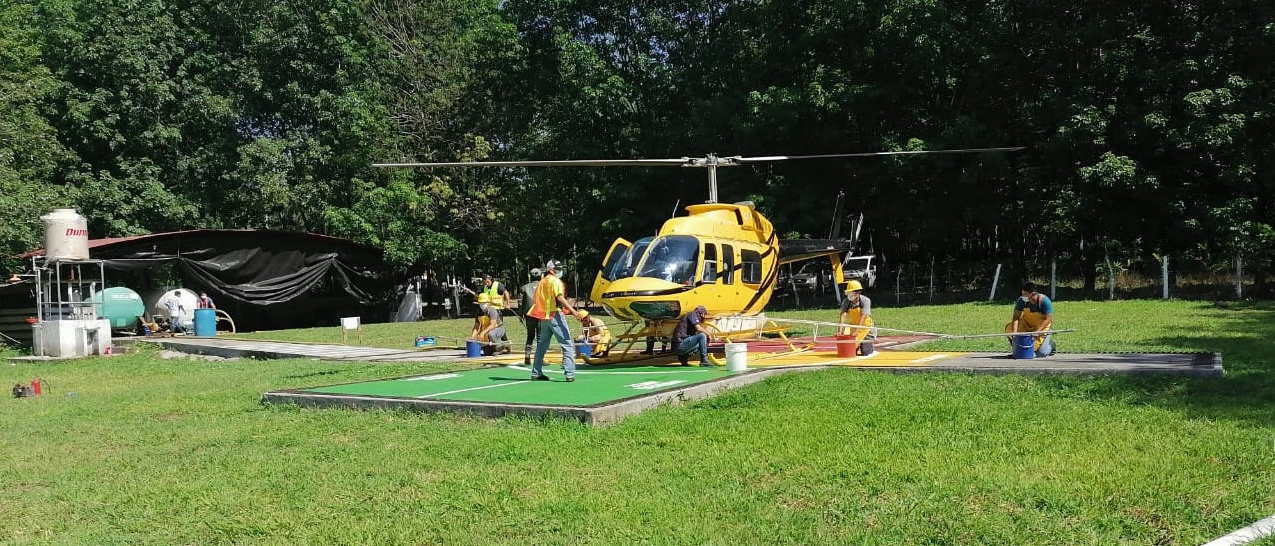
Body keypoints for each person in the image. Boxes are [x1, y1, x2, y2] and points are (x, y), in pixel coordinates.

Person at [528, 260, 581, 382]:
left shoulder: (542, 281)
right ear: (552, 269)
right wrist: (573, 311)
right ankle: (569, 374)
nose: (560, 270)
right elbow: (559, 297)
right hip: (555, 315)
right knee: (567, 344)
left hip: (544, 317)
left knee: (541, 346)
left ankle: (536, 373)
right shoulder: (555, 281)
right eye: (558, 268)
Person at [1007, 281, 1055, 357]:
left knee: (1041, 353)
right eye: (1022, 294)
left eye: (1025, 294)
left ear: (1033, 294)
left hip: (1041, 327)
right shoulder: (1021, 301)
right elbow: (1016, 317)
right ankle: (1016, 349)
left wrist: (1038, 331)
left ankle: (1051, 345)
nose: (1023, 296)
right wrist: (1014, 333)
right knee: (1009, 328)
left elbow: (1047, 319)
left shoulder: (1045, 301)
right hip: (1026, 325)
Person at [838, 280, 876, 355]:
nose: (850, 294)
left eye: (852, 292)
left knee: (865, 352)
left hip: (866, 329)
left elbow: (863, 317)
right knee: (850, 351)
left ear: (858, 292)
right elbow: (843, 315)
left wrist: (857, 331)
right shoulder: (846, 301)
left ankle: (869, 344)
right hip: (853, 328)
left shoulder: (865, 301)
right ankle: (857, 345)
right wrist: (840, 330)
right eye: (849, 292)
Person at [518, 268, 542, 366]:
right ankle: (540, 358)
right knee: (540, 337)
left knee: (530, 335)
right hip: (541, 314)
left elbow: (520, 303)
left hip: (529, 315)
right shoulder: (543, 286)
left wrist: (520, 315)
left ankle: (527, 354)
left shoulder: (524, 288)